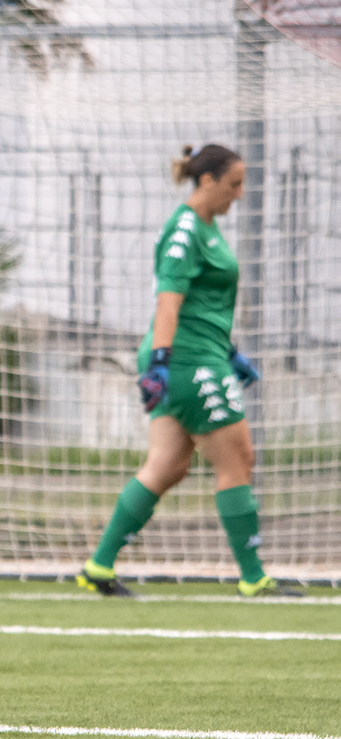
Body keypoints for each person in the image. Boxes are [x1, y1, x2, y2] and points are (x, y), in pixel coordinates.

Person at [78, 144, 301, 599]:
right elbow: (169, 301)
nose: (239, 194)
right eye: (233, 184)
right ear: (206, 181)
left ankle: (99, 566)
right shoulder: (185, 230)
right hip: (187, 360)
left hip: (201, 354)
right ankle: (254, 577)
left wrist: (230, 350)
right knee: (237, 459)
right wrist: (161, 362)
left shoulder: (207, 228)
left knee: (168, 465)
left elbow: (203, 303)